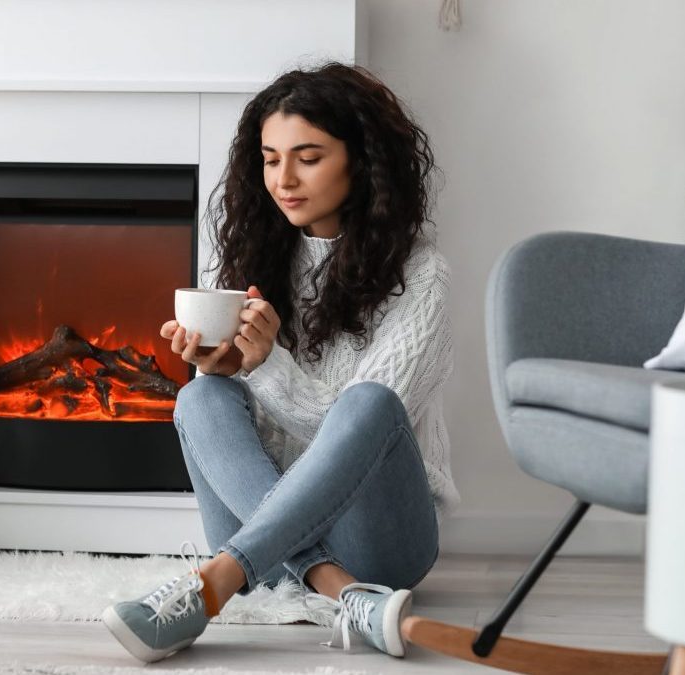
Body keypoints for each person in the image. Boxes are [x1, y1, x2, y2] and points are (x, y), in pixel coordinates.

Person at [102, 62, 459, 664]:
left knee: (370, 401)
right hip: (267, 530)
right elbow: (232, 416)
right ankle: (339, 591)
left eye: (308, 157)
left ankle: (215, 583)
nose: (283, 179)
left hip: (380, 540)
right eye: (270, 159)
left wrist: (265, 366)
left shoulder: (423, 277)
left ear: (363, 160)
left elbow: (358, 437)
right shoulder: (255, 257)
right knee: (200, 397)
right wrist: (220, 366)